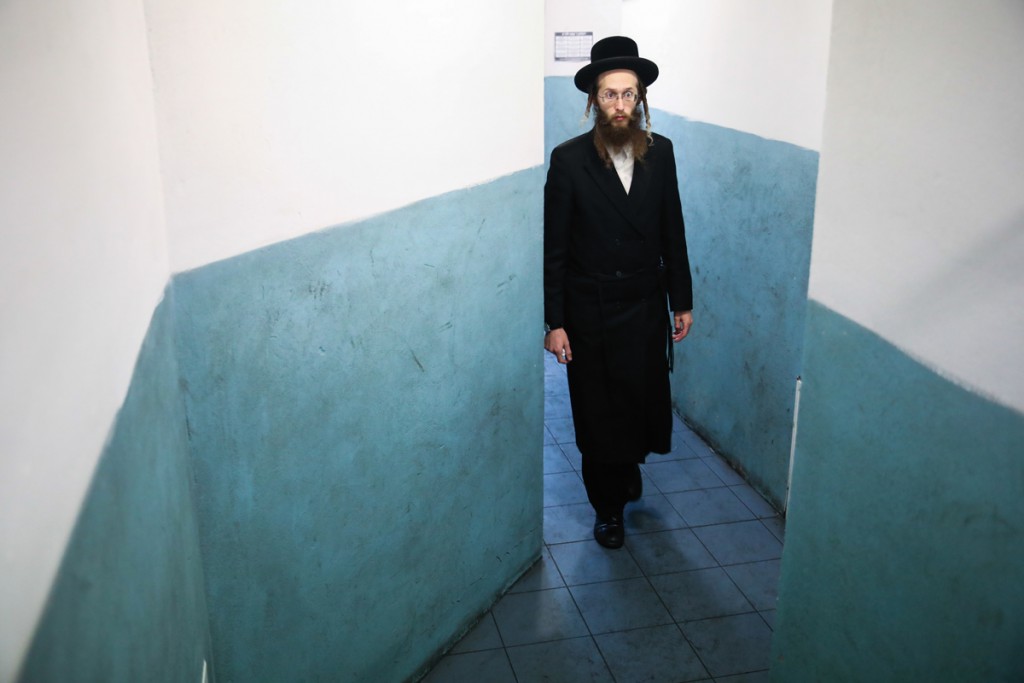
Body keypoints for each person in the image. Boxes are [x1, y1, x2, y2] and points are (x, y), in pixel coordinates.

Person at [544, 36, 693, 549]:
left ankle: (627, 469)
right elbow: (555, 249)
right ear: (594, 101)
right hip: (592, 310)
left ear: (641, 99)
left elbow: (673, 229)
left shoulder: (661, 152)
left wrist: (681, 299)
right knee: (598, 412)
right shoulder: (569, 160)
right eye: (610, 94)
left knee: (638, 400)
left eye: (629, 94)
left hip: (645, 305)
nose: (620, 105)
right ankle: (606, 508)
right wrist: (555, 322)